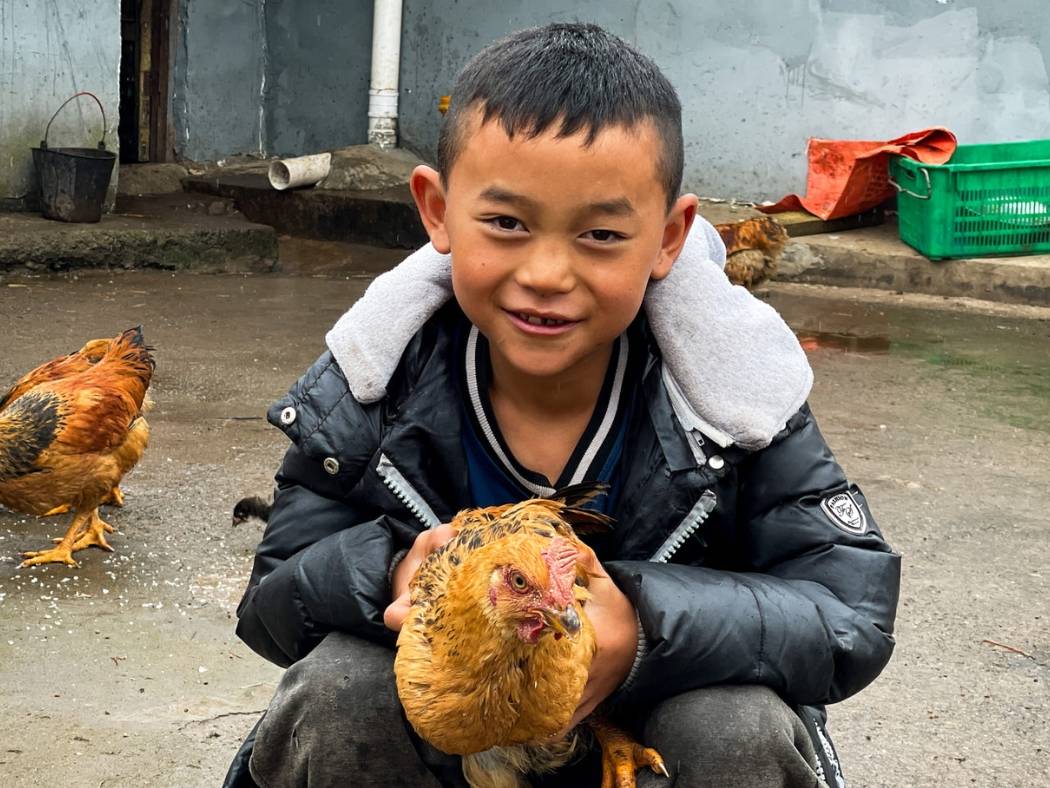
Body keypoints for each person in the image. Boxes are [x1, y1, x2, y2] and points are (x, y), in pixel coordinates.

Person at [223, 22, 900, 788]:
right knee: (337, 690)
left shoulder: (736, 401)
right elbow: (272, 602)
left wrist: (643, 628)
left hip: (648, 737)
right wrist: (386, 571)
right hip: (441, 743)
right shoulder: (370, 390)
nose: (547, 272)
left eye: (602, 234)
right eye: (507, 223)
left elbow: (849, 613)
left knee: (735, 726)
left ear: (671, 237)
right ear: (437, 210)